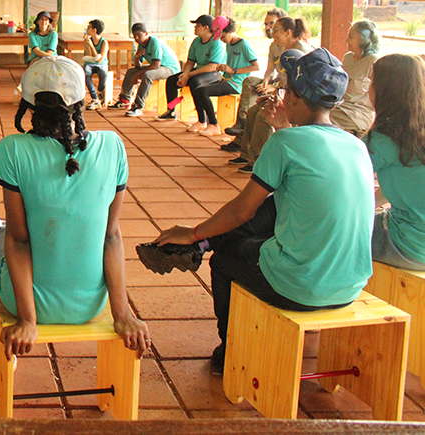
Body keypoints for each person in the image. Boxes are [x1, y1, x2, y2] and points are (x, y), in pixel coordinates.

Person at [137, 48, 373, 375]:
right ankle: (200, 245)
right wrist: (280, 127)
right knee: (277, 204)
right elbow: (299, 173)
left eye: (286, 88)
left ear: (294, 97)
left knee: (224, 260)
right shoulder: (355, 145)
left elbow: (242, 211)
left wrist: (191, 231)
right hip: (350, 284)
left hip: (301, 286)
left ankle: (229, 349)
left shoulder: (286, 144)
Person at [0, 56, 149, 361]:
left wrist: (27, 320)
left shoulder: (11, 149)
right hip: (90, 305)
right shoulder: (113, 145)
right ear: (81, 100)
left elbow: (19, 239)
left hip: (27, 305)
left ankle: (26, 316)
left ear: (29, 105)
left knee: (4, 231)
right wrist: (123, 315)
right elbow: (111, 236)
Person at [229, 16, 312, 174]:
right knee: (253, 111)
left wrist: (276, 93)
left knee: (264, 115)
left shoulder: (303, 51)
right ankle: (247, 155)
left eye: (276, 30)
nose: (271, 32)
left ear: (288, 32)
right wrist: (271, 87)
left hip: (298, 97)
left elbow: (300, 83)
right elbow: (276, 73)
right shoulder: (276, 47)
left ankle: (260, 160)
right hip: (283, 91)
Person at [364, 54, 425, 271]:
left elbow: (343, 182)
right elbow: (408, 185)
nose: (368, 89)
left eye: (371, 83)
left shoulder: (382, 138)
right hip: (418, 235)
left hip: (410, 245)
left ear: (385, 91)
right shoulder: (417, 129)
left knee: (329, 233)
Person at [187, 17, 260, 136]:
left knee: (203, 91)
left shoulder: (244, 44)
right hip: (226, 79)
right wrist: (224, 67)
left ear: (229, 31)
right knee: (197, 89)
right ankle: (203, 121)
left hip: (237, 83)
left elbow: (256, 66)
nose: (221, 40)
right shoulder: (229, 44)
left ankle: (214, 125)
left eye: (222, 36)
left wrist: (233, 70)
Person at [225, 8, 287, 137]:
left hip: (285, 87)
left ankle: (249, 142)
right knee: (250, 82)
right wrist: (266, 81)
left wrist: (274, 87)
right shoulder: (274, 45)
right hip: (276, 82)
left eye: (272, 24)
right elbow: (270, 69)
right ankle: (241, 124)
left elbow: (290, 77)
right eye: (266, 24)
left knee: (258, 113)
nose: (268, 27)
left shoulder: (291, 46)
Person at [157, 15, 226, 122]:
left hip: (215, 73)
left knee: (195, 82)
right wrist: (185, 74)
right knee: (171, 80)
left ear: (206, 27)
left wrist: (189, 75)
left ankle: (202, 119)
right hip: (200, 71)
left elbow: (212, 67)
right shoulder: (196, 41)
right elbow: (190, 62)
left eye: (197, 25)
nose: (195, 28)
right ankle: (171, 111)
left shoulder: (216, 42)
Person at [107, 23, 180, 118]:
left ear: (146, 33)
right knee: (131, 71)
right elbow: (137, 67)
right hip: (158, 67)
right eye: (134, 36)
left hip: (170, 68)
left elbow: (155, 65)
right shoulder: (141, 45)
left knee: (148, 75)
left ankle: (138, 106)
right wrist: (137, 57)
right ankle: (124, 100)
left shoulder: (154, 43)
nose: (137, 38)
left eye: (139, 35)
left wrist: (138, 75)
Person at [330, 20, 380, 138]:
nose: (346, 40)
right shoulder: (348, 58)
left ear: (364, 40)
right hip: (341, 107)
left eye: (351, 37)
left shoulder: (373, 61)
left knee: (323, 122)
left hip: (359, 114)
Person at [81, 19, 109, 111]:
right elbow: (89, 55)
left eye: (89, 27)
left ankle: (100, 91)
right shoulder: (88, 40)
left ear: (94, 30)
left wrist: (92, 46)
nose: (87, 29)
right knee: (86, 72)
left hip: (101, 64)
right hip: (90, 63)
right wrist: (87, 44)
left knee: (103, 72)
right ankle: (95, 98)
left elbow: (100, 59)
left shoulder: (104, 42)